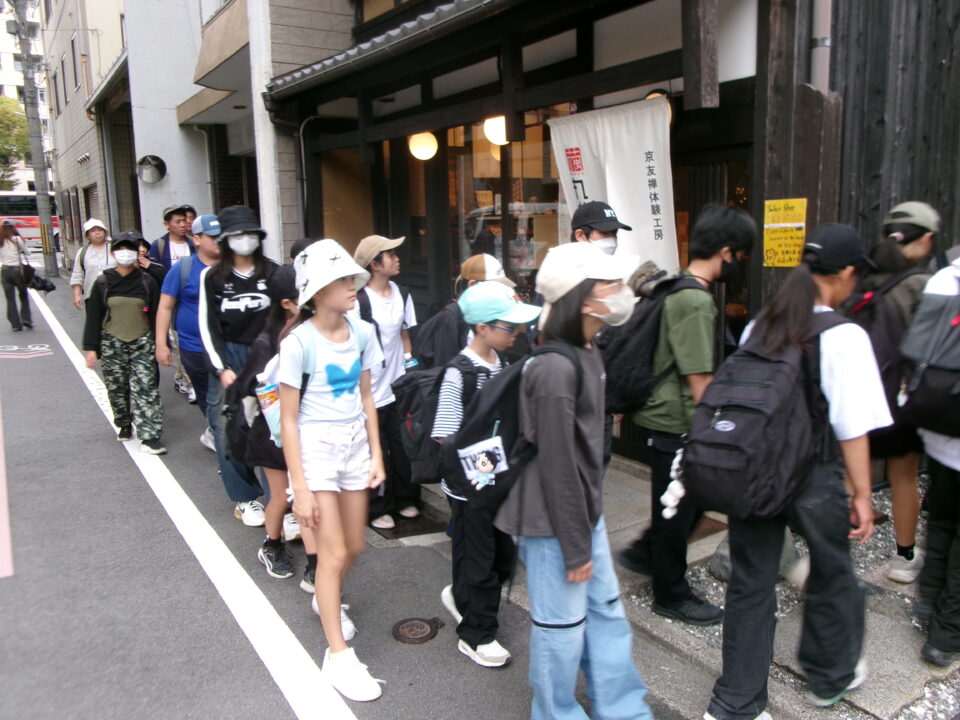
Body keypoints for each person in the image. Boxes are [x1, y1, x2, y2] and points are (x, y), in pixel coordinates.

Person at [704, 224, 892, 718]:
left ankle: (735, 703)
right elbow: (852, 429)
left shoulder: (760, 325)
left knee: (751, 583)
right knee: (832, 572)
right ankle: (830, 676)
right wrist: (862, 494)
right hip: (811, 473)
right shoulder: (843, 335)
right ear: (846, 272)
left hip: (754, 470)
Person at [495, 241, 652, 720]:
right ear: (584, 299)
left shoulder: (588, 349)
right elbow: (557, 467)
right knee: (560, 632)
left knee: (606, 614)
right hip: (551, 524)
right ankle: (555, 713)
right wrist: (576, 546)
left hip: (583, 514)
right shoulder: (554, 368)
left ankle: (623, 711)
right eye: (611, 283)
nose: (622, 290)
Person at [618, 204, 754, 625]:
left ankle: (644, 553)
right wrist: (721, 430)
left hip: (661, 413)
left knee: (680, 501)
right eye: (741, 256)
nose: (740, 265)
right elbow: (698, 381)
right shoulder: (694, 299)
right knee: (678, 510)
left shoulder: (675, 284)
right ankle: (670, 594)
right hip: (675, 419)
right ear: (726, 252)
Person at [281, 239, 386, 702]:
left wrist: (377, 455)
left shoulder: (362, 332)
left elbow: (368, 397)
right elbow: (288, 420)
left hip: (355, 445)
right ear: (318, 290)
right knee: (334, 552)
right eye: (343, 280)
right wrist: (299, 488)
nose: (353, 286)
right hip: (317, 451)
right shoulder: (298, 343)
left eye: (352, 279)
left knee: (355, 546)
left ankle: (326, 593)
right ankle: (338, 654)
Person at [434, 280, 541, 668]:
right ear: (482, 328)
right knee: (479, 558)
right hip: (471, 487)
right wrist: (482, 469)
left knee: (496, 555)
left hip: (497, 482)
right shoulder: (459, 373)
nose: (516, 333)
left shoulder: (503, 364)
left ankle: (461, 598)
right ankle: (477, 634)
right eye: (509, 327)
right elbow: (445, 435)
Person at [861, 201, 937, 583]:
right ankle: (904, 559)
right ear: (925, 240)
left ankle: (832, 559)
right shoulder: (923, 285)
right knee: (903, 476)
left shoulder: (863, 279)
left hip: (859, 396)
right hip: (900, 400)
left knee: (851, 475)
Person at [198, 205, 277, 526]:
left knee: (274, 427)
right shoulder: (212, 277)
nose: (245, 239)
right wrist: (221, 368)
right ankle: (245, 499)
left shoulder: (273, 273)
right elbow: (208, 326)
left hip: (269, 359)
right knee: (229, 429)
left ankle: (280, 501)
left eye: (250, 233)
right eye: (238, 234)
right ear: (226, 239)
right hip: (230, 358)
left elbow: (286, 321)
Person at [235, 264, 312, 582]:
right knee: (282, 497)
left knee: (310, 496)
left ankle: (316, 563)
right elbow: (249, 385)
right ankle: (272, 544)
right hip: (274, 432)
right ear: (287, 303)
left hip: (310, 429)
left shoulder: (314, 330)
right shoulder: (268, 340)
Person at [350, 234, 419, 529]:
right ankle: (378, 506)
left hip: (397, 385)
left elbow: (405, 334)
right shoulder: (358, 301)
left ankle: (405, 498)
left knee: (402, 444)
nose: (397, 258)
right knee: (375, 448)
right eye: (391, 254)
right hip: (369, 390)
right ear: (375, 265)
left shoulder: (402, 293)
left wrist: (409, 365)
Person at [82, 231, 166, 454]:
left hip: (143, 341)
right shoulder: (103, 282)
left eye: (130, 249)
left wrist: (162, 343)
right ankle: (124, 422)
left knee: (146, 388)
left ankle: (150, 436)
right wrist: (91, 348)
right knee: (117, 388)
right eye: (120, 249)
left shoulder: (147, 282)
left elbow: (158, 314)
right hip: (112, 342)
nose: (125, 253)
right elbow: (94, 316)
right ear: (113, 253)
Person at [915, 252, 960, 666]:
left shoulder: (945, 278)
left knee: (943, 518)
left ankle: (928, 603)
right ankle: (946, 635)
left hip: (942, 429)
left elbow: (918, 349)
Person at [157, 214, 222, 451]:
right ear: (197, 239)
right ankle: (215, 429)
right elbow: (165, 307)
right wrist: (161, 344)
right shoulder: (183, 269)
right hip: (193, 347)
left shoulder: (234, 267)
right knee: (206, 395)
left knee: (229, 395)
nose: (219, 241)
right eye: (213, 237)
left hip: (226, 347)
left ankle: (222, 432)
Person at [414, 253, 515, 369]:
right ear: (472, 285)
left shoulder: (486, 314)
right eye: (494, 288)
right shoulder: (450, 318)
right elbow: (446, 369)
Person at [70, 218, 115, 309]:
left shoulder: (115, 248)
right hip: (91, 295)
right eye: (93, 231)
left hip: (116, 294)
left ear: (105, 232)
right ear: (88, 236)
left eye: (100, 230)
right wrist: (77, 296)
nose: (98, 233)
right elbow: (77, 275)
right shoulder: (83, 252)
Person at [0, 221, 32, 331]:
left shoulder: (1, 241)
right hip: (17, 270)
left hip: (5, 270)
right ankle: (26, 319)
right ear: (13, 228)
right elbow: (27, 253)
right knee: (23, 295)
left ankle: (15, 325)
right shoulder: (17, 239)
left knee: (10, 299)